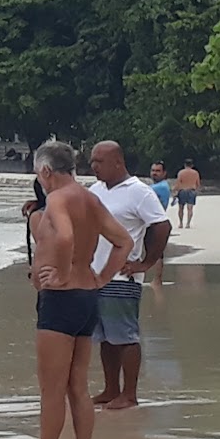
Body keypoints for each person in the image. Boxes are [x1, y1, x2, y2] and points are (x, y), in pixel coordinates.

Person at [15, 141, 132, 439]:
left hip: (62, 300)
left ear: (46, 171)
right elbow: (123, 241)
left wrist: (63, 273)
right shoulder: (89, 198)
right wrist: (101, 278)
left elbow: (65, 237)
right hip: (87, 297)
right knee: (77, 386)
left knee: (51, 388)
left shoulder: (58, 198)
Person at [85, 141, 171, 410]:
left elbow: (162, 226)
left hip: (122, 277)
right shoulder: (95, 190)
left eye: (99, 161)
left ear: (118, 162)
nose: (93, 166)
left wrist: (145, 262)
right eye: (92, 161)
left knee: (124, 336)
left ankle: (130, 393)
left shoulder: (139, 193)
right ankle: (111, 389)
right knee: (105, 337)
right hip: (95, 274)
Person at [174, 159, 200, 228]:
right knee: (190, 208)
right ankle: (188, 223)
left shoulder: (181, 172)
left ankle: (181, 223)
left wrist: (175, 191)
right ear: (192, 165)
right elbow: (198, 184)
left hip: (182, 190)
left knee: (181, 208)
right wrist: (196, 191)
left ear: (185, 165)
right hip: (192, 190)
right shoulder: (195, 173)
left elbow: (178, 183)